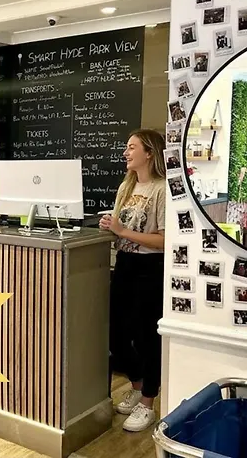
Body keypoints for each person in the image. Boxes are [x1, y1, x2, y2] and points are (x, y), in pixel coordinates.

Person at [99, 129, 166, 433]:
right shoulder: (126, 186)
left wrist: (122, 231)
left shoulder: (162, 189)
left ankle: (148, 402)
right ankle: (137, 387)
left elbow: (164, 240)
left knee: (146, 337)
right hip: (124, 264)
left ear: (149, 153)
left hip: (150, 268)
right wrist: (110, 227)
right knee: (116, 334)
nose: (126, 153)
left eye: (131, 147)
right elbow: (118, 228)